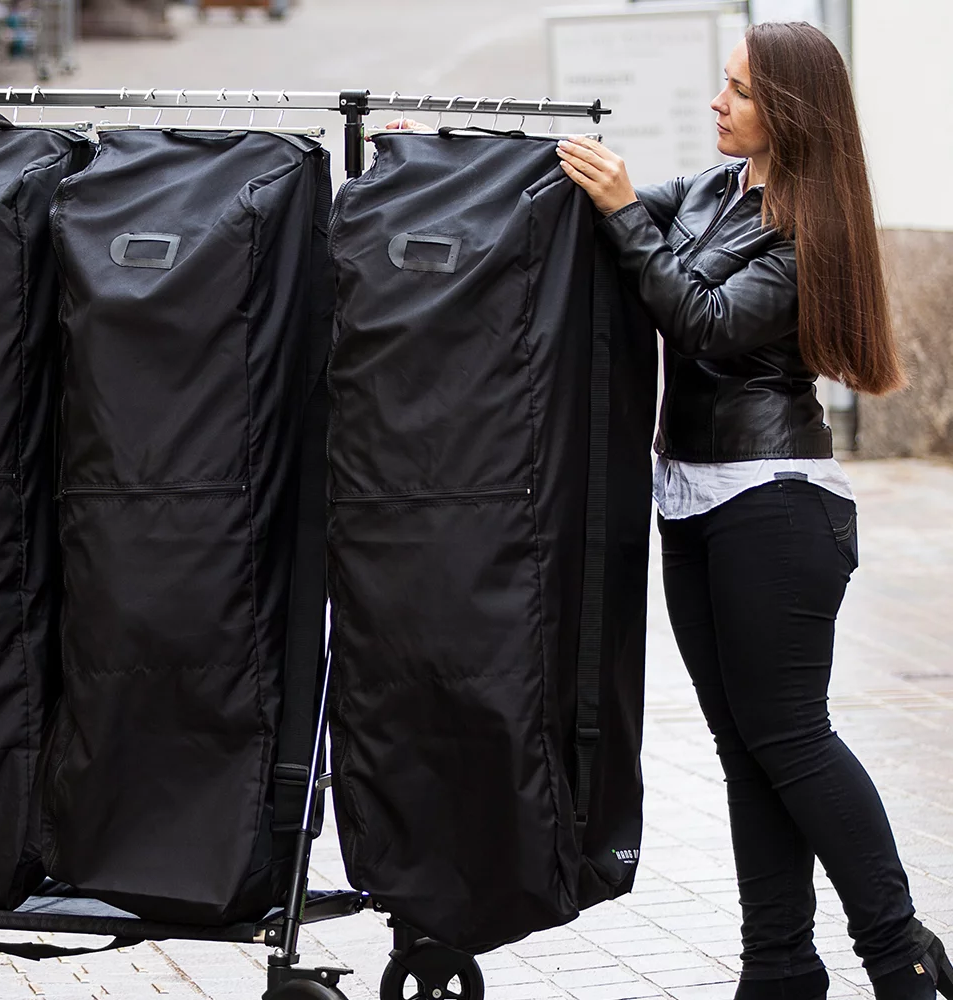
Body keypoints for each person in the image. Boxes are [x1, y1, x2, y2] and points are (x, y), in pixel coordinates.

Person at [389, 20, 949, 1000]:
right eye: (722, 85)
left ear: (789, 111)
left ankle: (897, 951)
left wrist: (623, 212)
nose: (717, 103)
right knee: (749, 748)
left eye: (737, 90)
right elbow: (570, 212)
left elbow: (705, 318)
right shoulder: (707, 192)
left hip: (773, 502)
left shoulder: (803, 229)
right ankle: (778, 966)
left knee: (793, 738)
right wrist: (434, 150)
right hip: (694, 500)